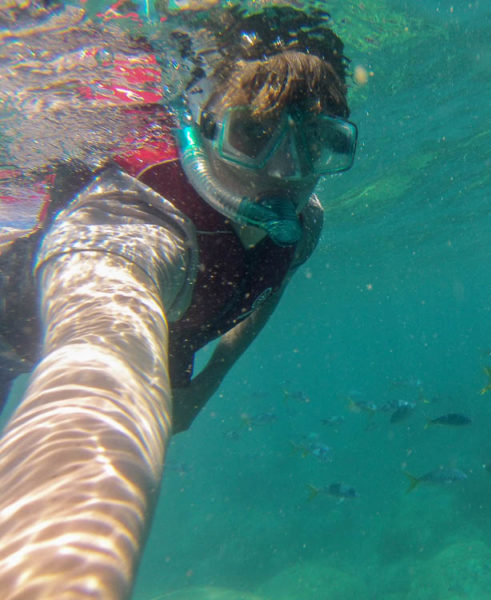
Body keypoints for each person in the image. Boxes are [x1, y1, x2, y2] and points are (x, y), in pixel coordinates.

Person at [0, 2, 357, 597]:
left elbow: (270, 285)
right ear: (205, 126)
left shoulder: (303, 224)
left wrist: (206, 384)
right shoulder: (134, 223)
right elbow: (98, 361)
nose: (286, 174)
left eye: (316, 145)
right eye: (256, 136)